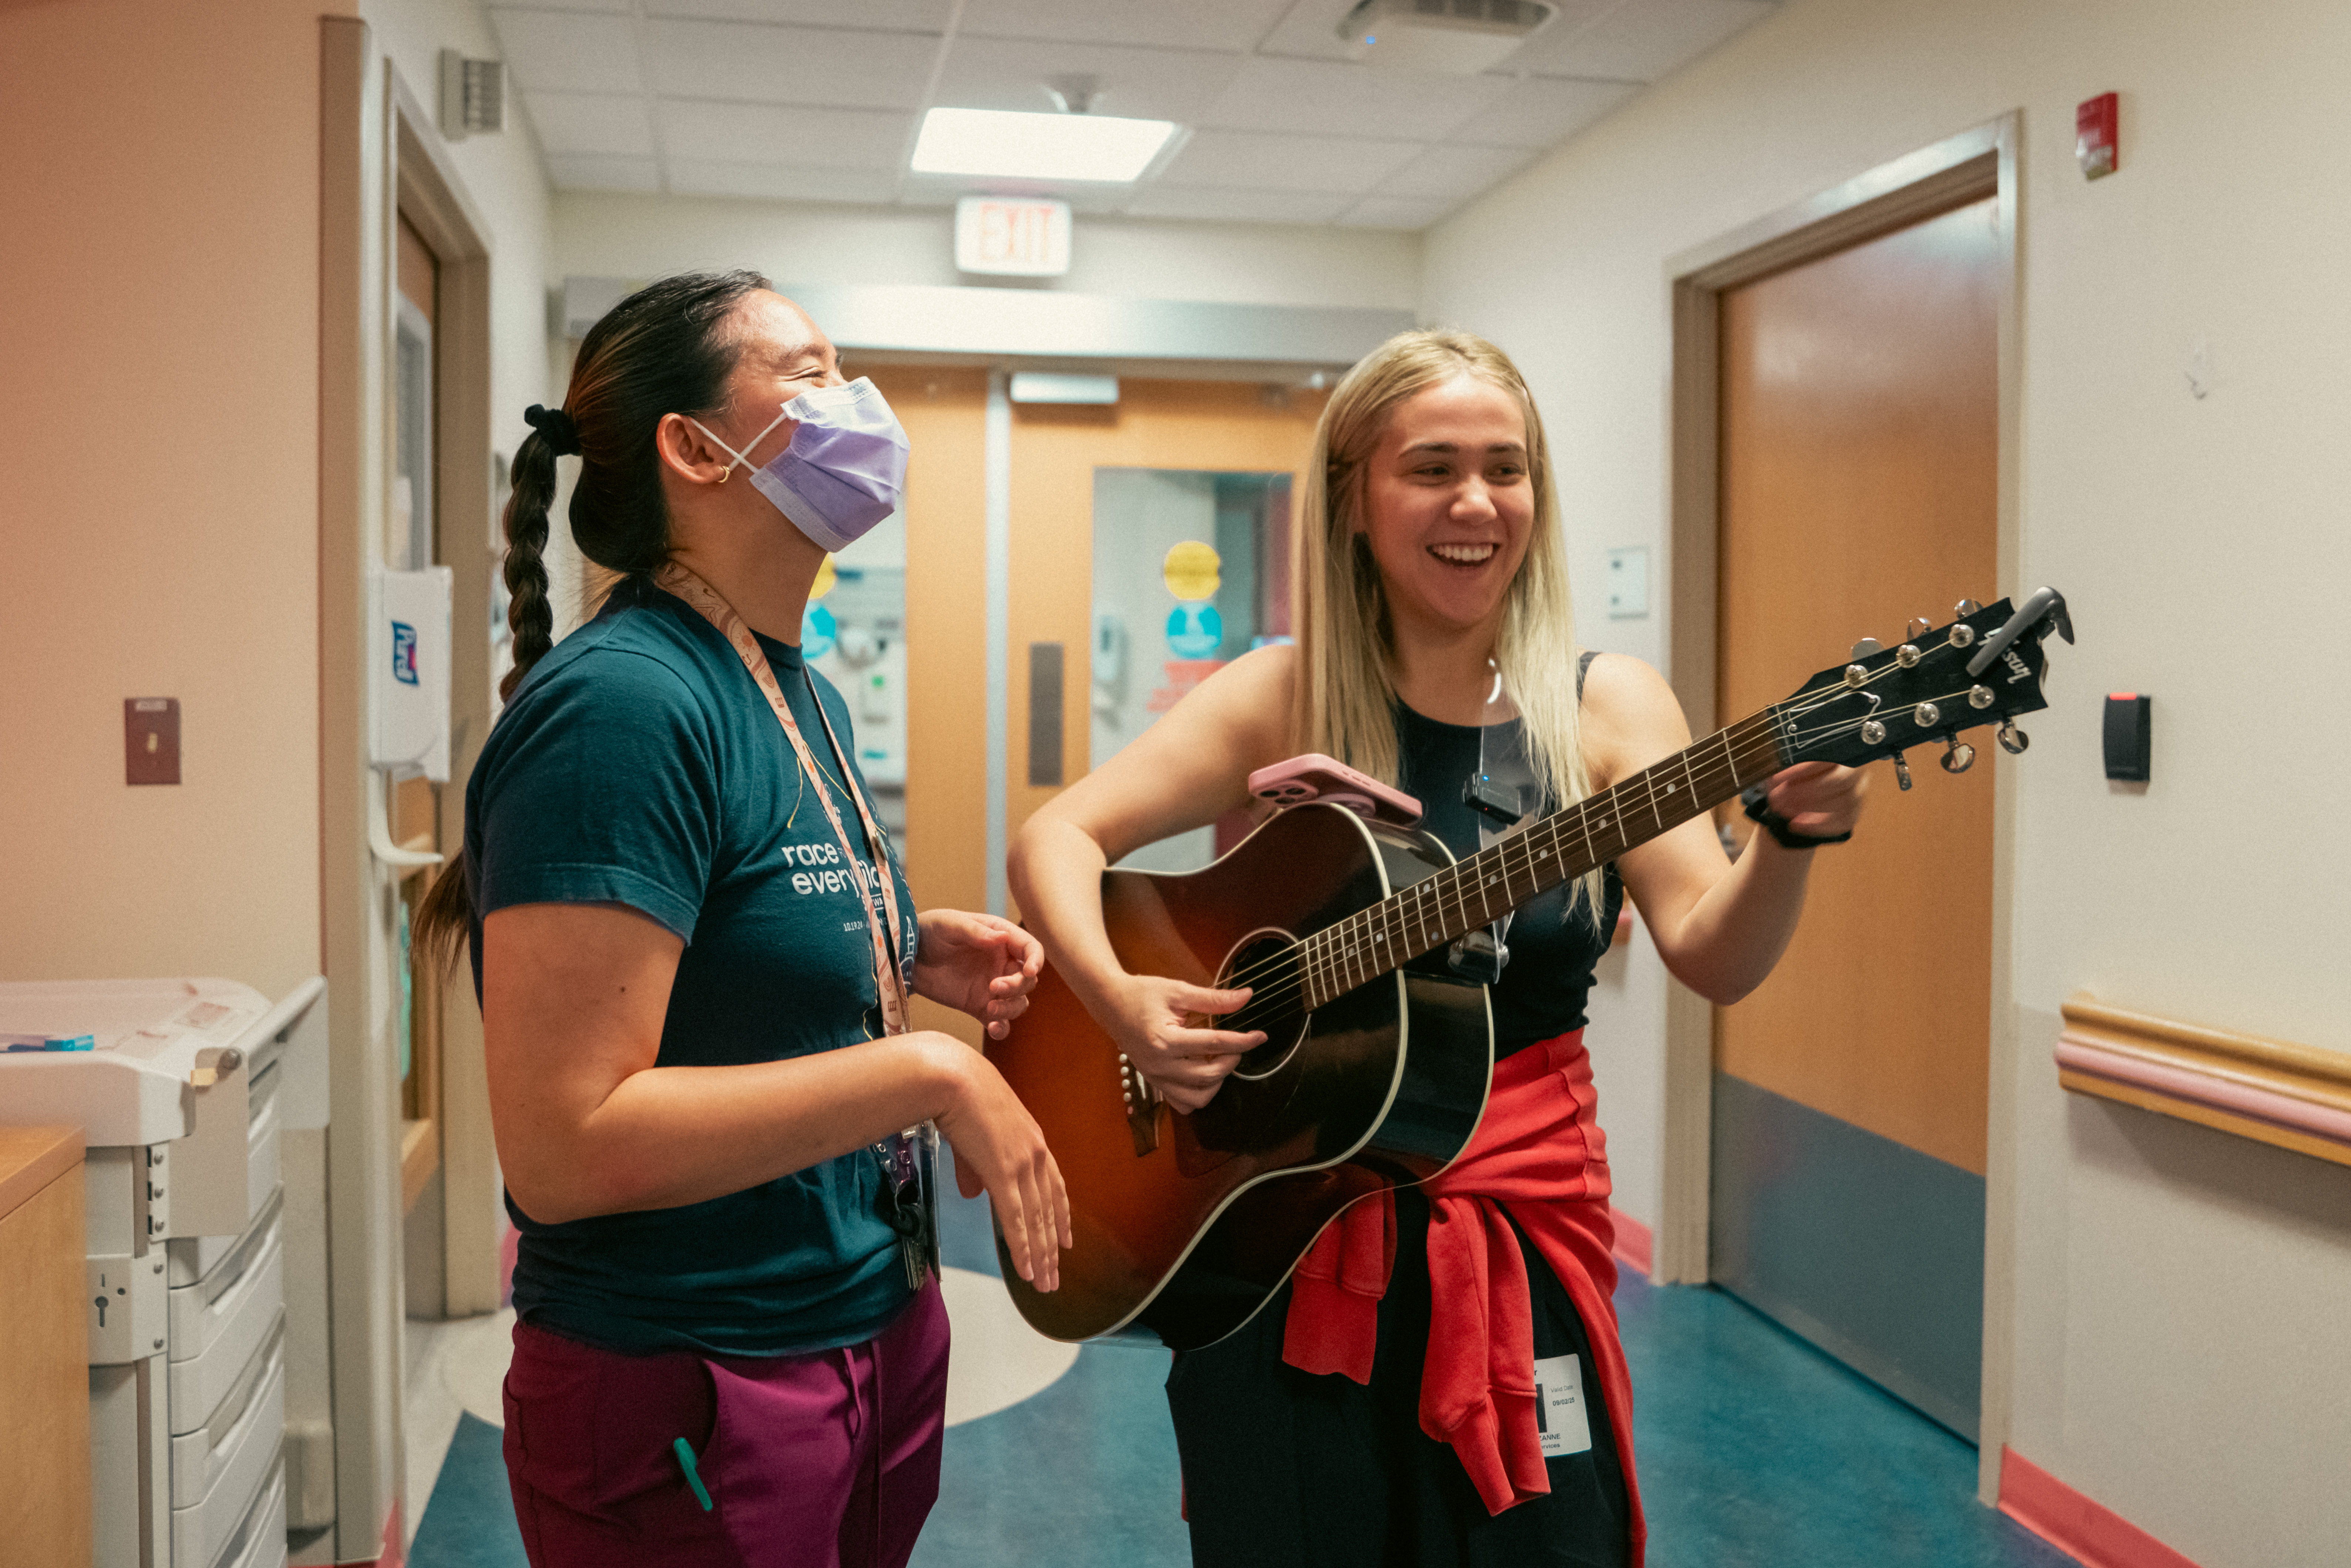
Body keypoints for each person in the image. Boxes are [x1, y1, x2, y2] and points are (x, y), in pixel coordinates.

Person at [1008, 329, 1866, 1567]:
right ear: (1354, 496)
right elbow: (1059, 837)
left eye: (1505, 470)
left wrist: (1784, 837)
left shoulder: (1605, 707)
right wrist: (1125, 1003)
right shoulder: (1278, 693)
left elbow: (1709, 951)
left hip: (1519, 1238)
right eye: (1432, 468)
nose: (1476, 504)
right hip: (1285, 1238)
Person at [412, 270, 1072, 1568]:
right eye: (810, 372)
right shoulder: (624, 707)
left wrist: (890, 943)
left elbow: (722, 929)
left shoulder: (786, 681)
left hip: (856, 1325)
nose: (857, 403)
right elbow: (566, 1144)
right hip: (693, 1380)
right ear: (694, 448)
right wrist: (930, 1071)